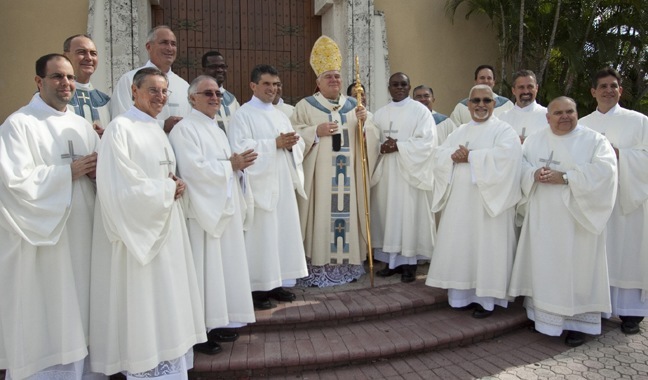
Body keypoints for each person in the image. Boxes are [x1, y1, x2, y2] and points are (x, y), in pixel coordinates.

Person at [90, 68, 206, 377]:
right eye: (153, 90)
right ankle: (145, 364)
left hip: (168, 229)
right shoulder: (120, 128)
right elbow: (119, 185)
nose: (160, 97)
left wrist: (174, 184)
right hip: (138, 236)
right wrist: (167, 189)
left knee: (168, 297)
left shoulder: (156, 129)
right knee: (143, 299)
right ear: (134, 91)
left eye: (165, 91)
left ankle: (169, 361)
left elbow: (160, 175)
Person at [0, 54, 100, 380]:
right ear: (38, 81)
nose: (66, 83)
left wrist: (99, 174)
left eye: (70, 77)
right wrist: (65, 173)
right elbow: (13, 182)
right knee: (51, 309)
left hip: (83, 233)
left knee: (82, 308)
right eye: (58, 77)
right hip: (46, 240)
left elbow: (100, 174)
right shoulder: (19, 124)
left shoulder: (82, 125)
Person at [509, 96, 617, 347]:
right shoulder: (535, 139)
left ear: (577, 113)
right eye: (558, 113)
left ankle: (577, 323)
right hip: (543, 218)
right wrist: (533, 173)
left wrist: (566, 177)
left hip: (577, 220)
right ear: (548, 117)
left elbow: (606, 172)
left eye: (570, 111)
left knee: (575, 268)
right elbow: (520, 165)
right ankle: (543, 319)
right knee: (545, 265)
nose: (565, 117)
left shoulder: (594, 141)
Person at [168, 75, 258, 354]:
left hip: (224, 208)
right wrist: (230, 166)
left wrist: (238, 168)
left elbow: (229, 165)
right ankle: (199, 332)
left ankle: (217, 322)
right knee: (203, 273)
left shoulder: (218, 130)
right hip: (202, 214)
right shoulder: (184, 130)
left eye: (218, 94)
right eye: (208, 93)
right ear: (192, 98)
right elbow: (193, 170)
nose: (215, 98)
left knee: (220, 271)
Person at [425, 84, 522, 319]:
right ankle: (461, 295)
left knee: (487, 247)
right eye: (475, 101)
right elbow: (438, 154)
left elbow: (509, 160)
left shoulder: (504, 131)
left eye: (486, 101)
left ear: (494, 104)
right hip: (460, 203)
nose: (481, 105)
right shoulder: (459, 131)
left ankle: (486, 299)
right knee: (463, 246)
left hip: (489, 206)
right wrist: (451, 156)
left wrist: (472, 157)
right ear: (467, 105)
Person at [291, 35, 380, 287]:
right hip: (319, 180)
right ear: (318, 82)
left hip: (348, 179)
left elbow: (370, 142)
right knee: (321, 217)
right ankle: (318, 266)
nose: (334, 80)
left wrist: (365, 125)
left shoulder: (354, 105)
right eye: (328, 76)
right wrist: (314, 133)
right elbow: (293, 135)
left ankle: (347, 266)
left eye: (337, 76)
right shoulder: (305, 106)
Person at [228, 64, 309, 309]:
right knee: (261, 236)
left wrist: (294, 144)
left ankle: (278, 282)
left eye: (275, 84)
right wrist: (273, 144)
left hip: (282, 181)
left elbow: (296, 144)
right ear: (253, 86)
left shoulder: (280, 114)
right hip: (259, 186)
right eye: (266, 84)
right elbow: (239, 147)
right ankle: (258, 288)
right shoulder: (243, 114)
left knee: (281, 232)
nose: (272, 89)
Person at [580, 68, 648, 335]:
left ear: (620, 90)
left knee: (627, 253)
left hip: (627, 201)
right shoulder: (583, 125)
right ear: (593, 92)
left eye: (613, 86)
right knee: (597, 254)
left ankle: (631, 312)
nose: (608, 90)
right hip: (595, 201)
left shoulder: (640, 121)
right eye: (603, 86)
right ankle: (596, 307)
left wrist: (620, 154)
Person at [370, 73, 437, 283]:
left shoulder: (420, 112)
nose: (399, 88)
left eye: (403, 84)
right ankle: (392, 262)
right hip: (387, 175)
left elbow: (428, 142)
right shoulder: (379, 114)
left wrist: (398, 146)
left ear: (409, 87)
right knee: (389, 216)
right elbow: (371, 142)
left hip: (410, 175)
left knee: (408, 217)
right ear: (389, 87)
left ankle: (409, 264)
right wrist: (380, 147)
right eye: (395, 85)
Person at [111, 26, 190, 133]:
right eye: (164, 43)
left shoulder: (184, 86)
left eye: (173, 44)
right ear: (149, 47)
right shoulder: (129, 80)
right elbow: (121, 121)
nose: (169, 48)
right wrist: (162, 125)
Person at [63, 34, 110, 137]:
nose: (89, 58)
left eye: (93, 53)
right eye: (81, 52)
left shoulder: (105, 101)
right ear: (66, 56)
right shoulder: (52, 97)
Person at [499, 70, 547, 143]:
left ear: (536, 88)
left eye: (530, 87)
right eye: (521, 87)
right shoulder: (503, 118)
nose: (526, 91)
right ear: (513, 90)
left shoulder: (547, 116)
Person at [202, 50, 240, 134]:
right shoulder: (198, 97)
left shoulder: (232, 100)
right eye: (214, 67)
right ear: (204, 69)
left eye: (222, 66)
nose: (220, 70)